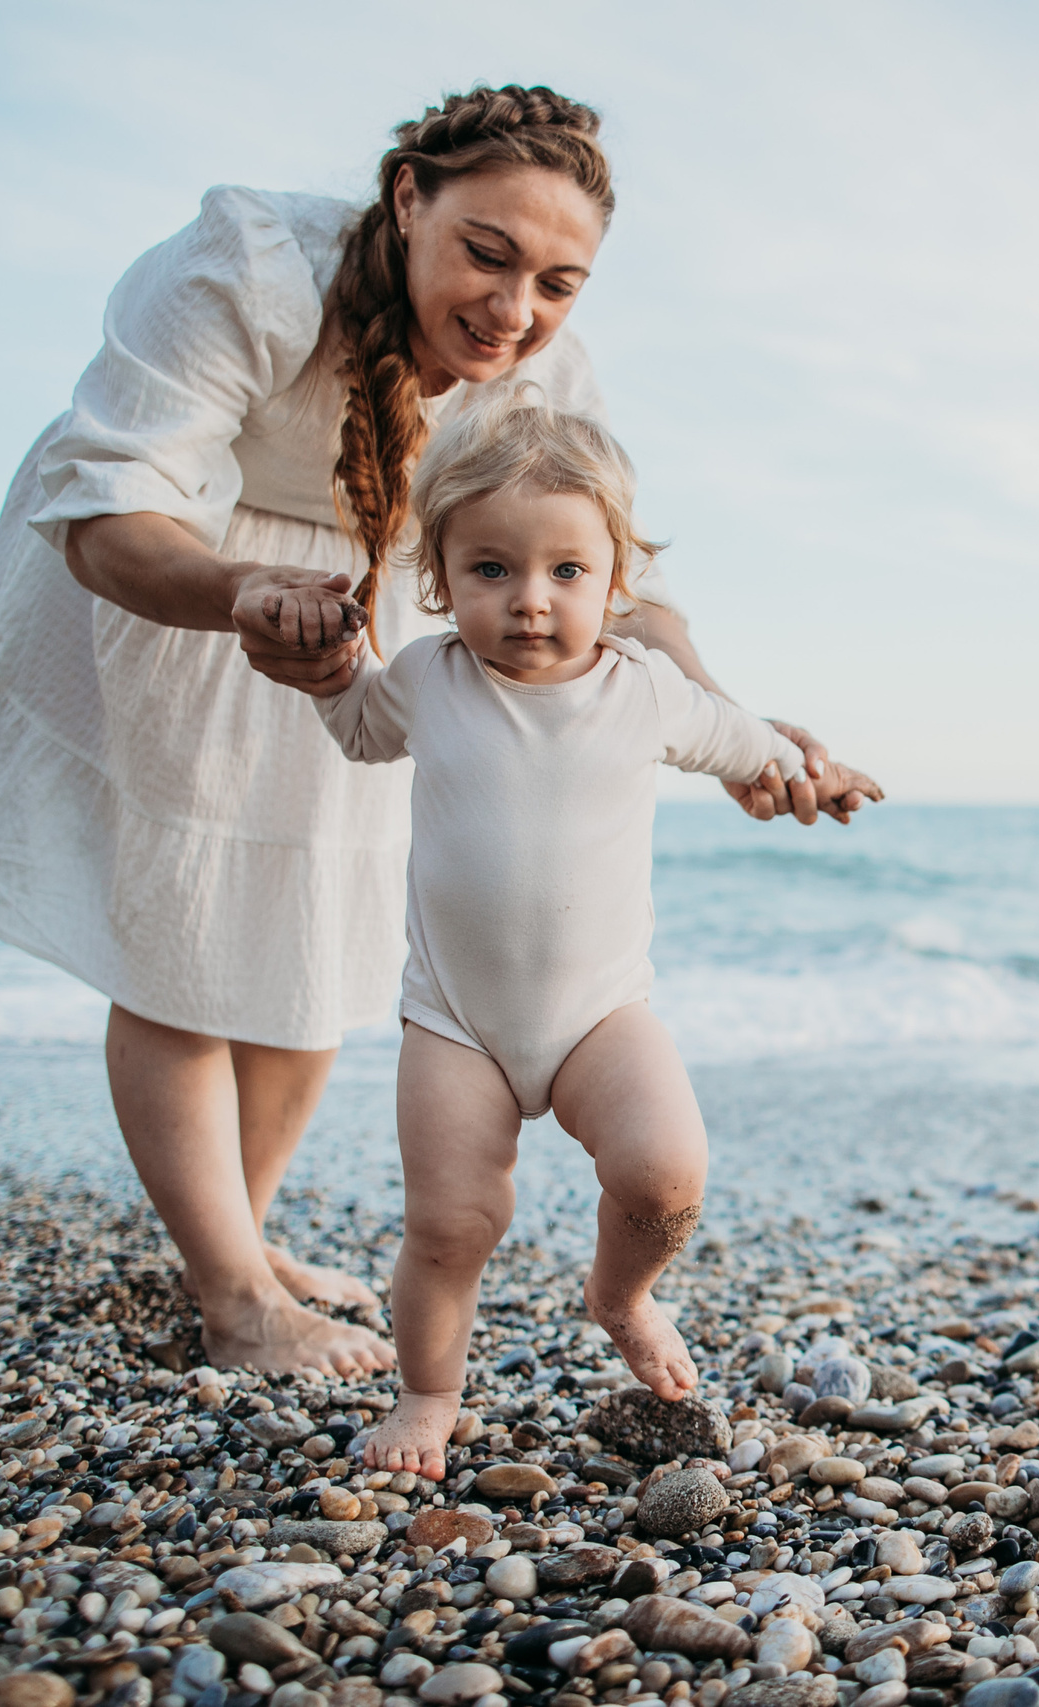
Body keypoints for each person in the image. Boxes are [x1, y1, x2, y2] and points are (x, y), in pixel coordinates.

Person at [0, 86, 880, 1378]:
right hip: (181, 576)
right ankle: (231, 1299)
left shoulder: (544, 379)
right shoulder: (253, 265)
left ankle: (244, 1240)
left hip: (383, 613)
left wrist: (733, 723)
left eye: (558, 283)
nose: (515, 309)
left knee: (314, 930)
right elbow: (106, 506)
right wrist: (243, 596)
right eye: (488, 253)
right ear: (409, 197)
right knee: (180, 939)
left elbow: (615, 579)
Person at [285, 405, 809, 1475]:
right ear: (440, 579)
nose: (531, 597)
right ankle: (427, 1394)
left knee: (666, 1176)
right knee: (449, 1224)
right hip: (456, 1023)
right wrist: (331, 670)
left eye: (567, 570)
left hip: (599, 1014)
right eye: (492, 568)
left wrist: (808, 769)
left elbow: (749, 746)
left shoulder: (646, 690)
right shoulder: (428, 678)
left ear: (616, 583)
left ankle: (622, 1294)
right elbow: (358, 729)